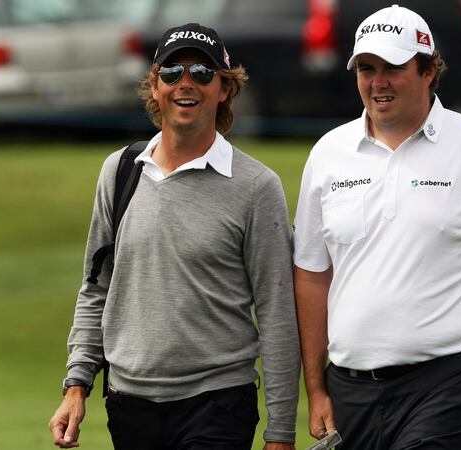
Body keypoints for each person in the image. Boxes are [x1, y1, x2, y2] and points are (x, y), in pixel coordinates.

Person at [293, 5, 461, 449]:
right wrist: (317, 389)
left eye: (393, 67)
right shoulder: (328, 153)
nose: (377, 81)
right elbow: (311, 274)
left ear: (429, 70)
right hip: (351, 388)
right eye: (366, 68)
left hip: (450, 379)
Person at [48, 23, 300, 450]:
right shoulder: (121, 170)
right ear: (154, 85)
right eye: (171, 73)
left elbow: (277, 313)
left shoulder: (257, 186)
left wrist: (281, 431)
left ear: (224, 89)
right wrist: (76, 385)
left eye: (202, 73)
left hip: (217, 404)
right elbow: (96, 289)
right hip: (128, 403)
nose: (186, 84)